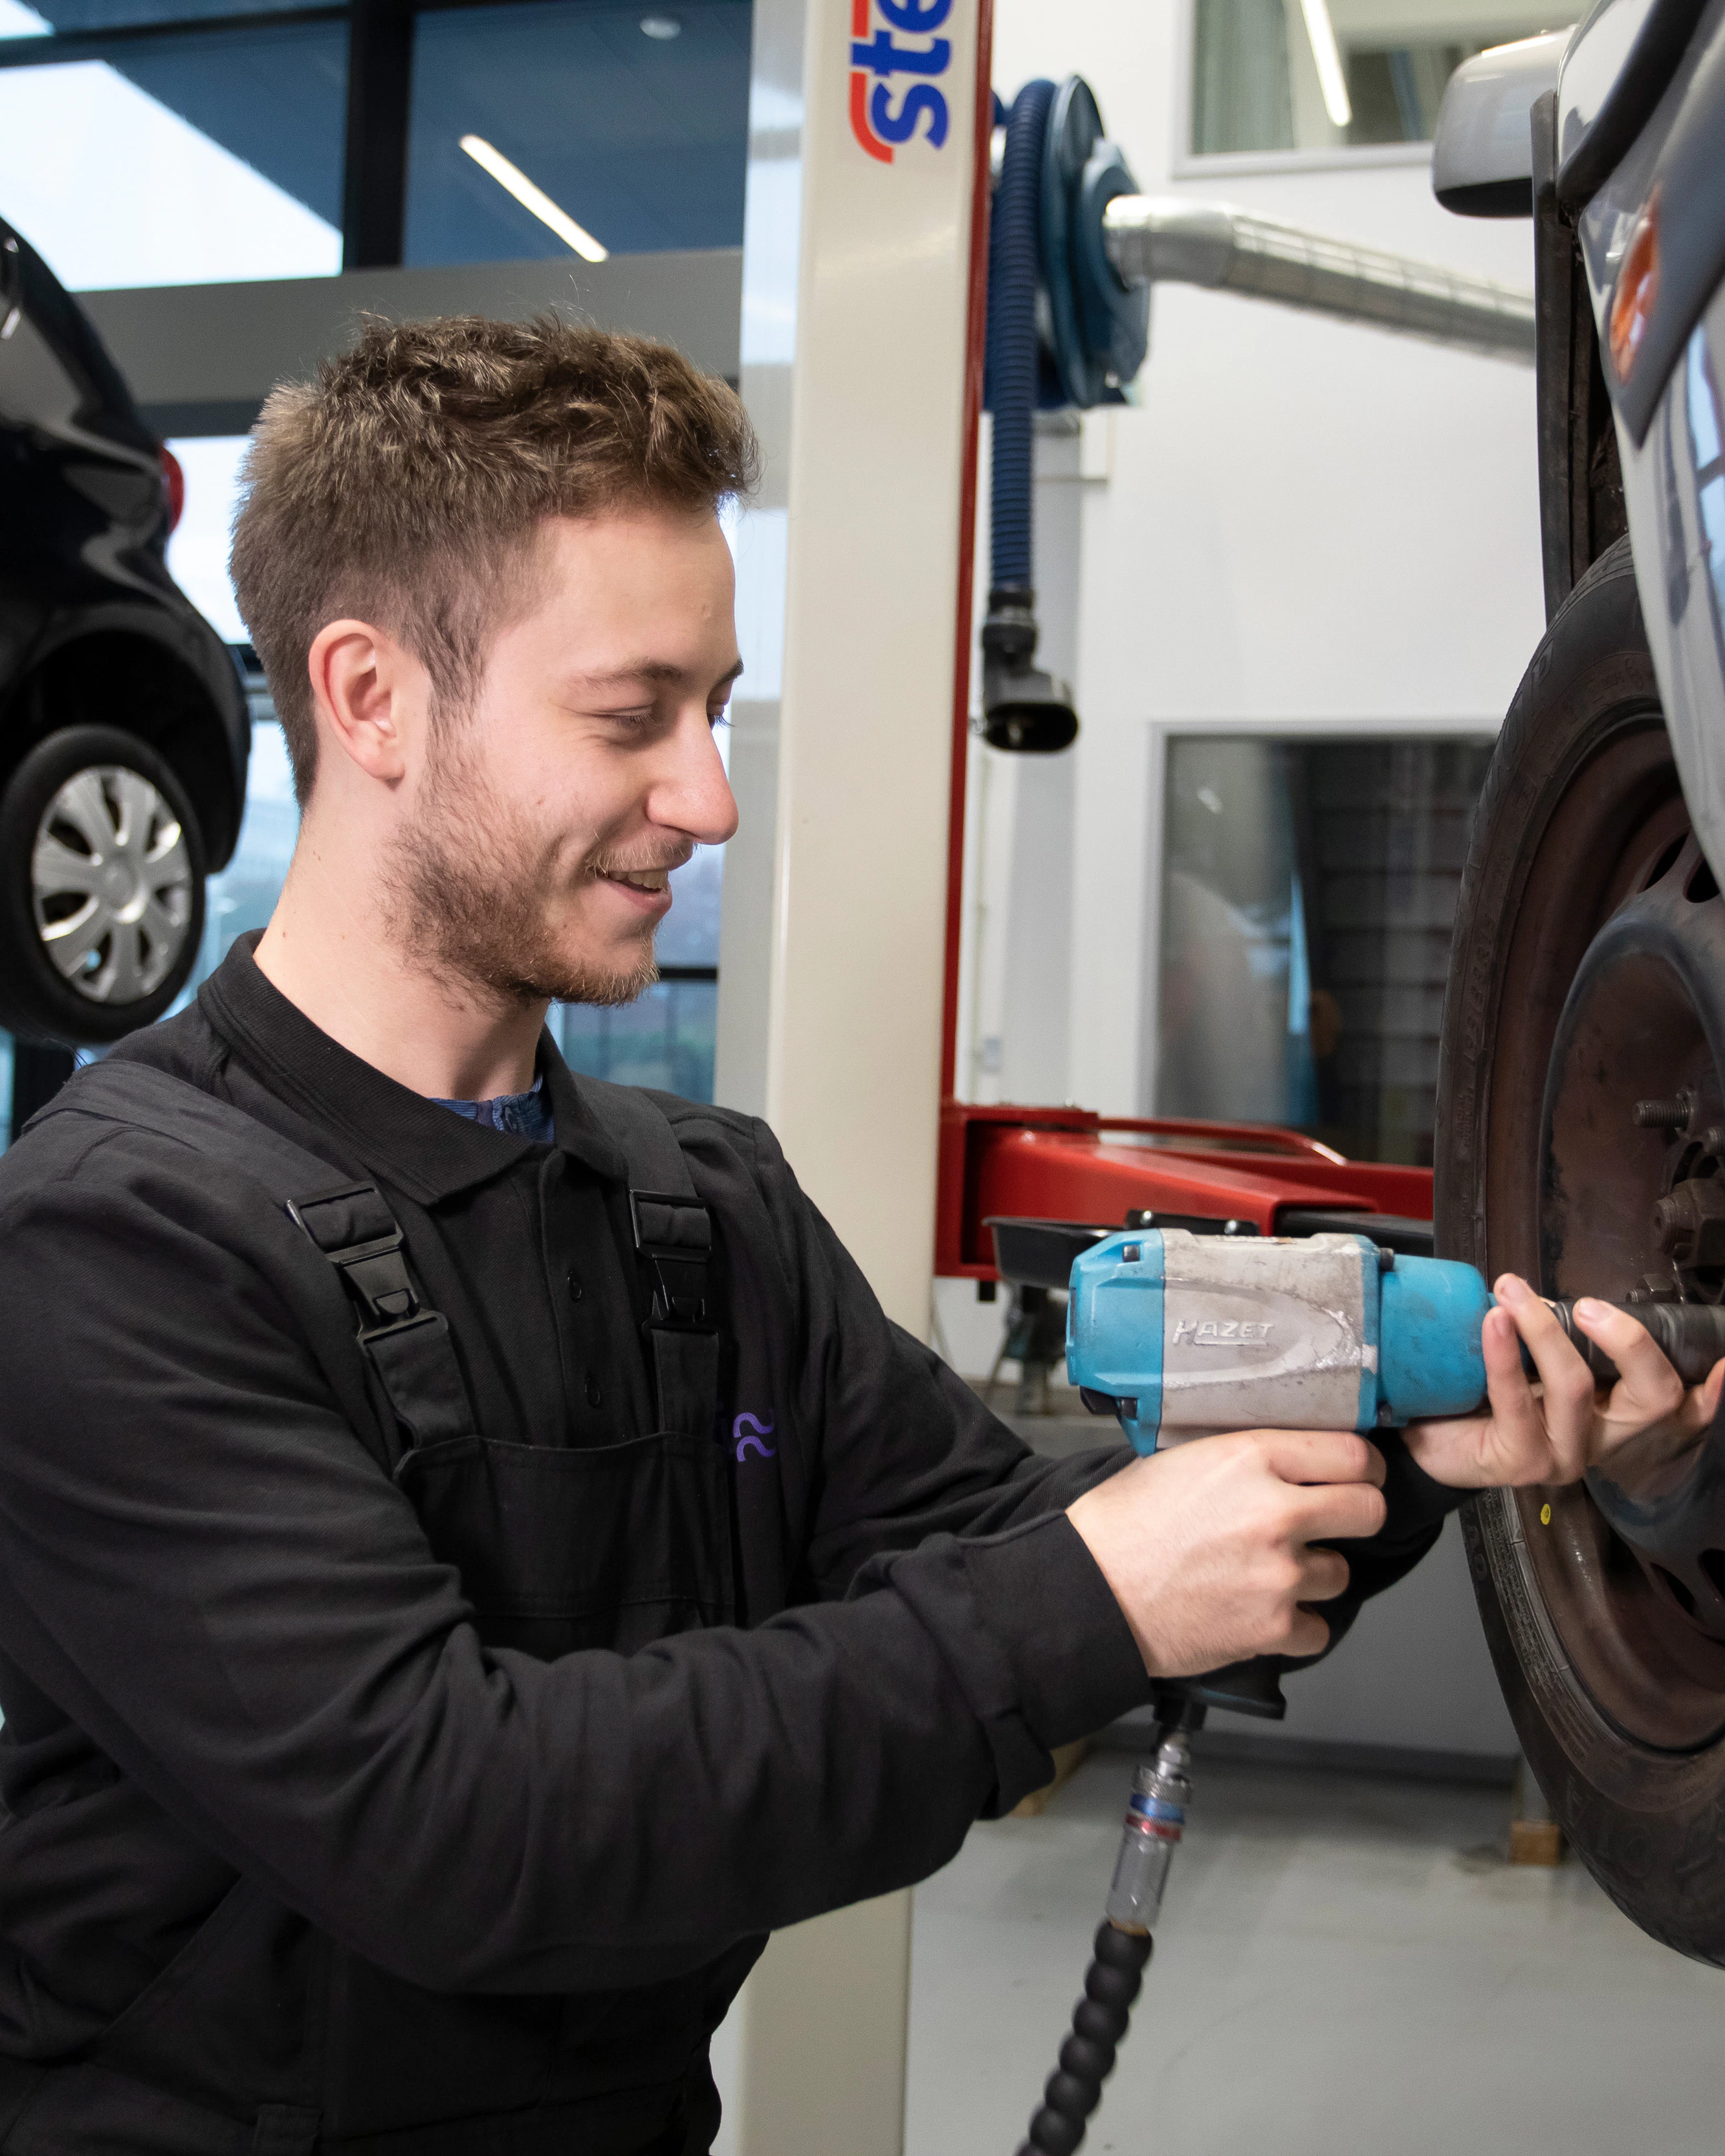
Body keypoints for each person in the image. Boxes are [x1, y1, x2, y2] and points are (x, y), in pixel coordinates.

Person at [0, 316, 1712, 2156]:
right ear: (368, 698)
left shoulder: (692, 1205)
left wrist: (1411, 1450)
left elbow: (990, 1535)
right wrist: (1096, 1596)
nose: (710, 797)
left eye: (714, 705)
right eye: (629, 711)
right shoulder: (116, 1247)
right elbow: (454, 1823)